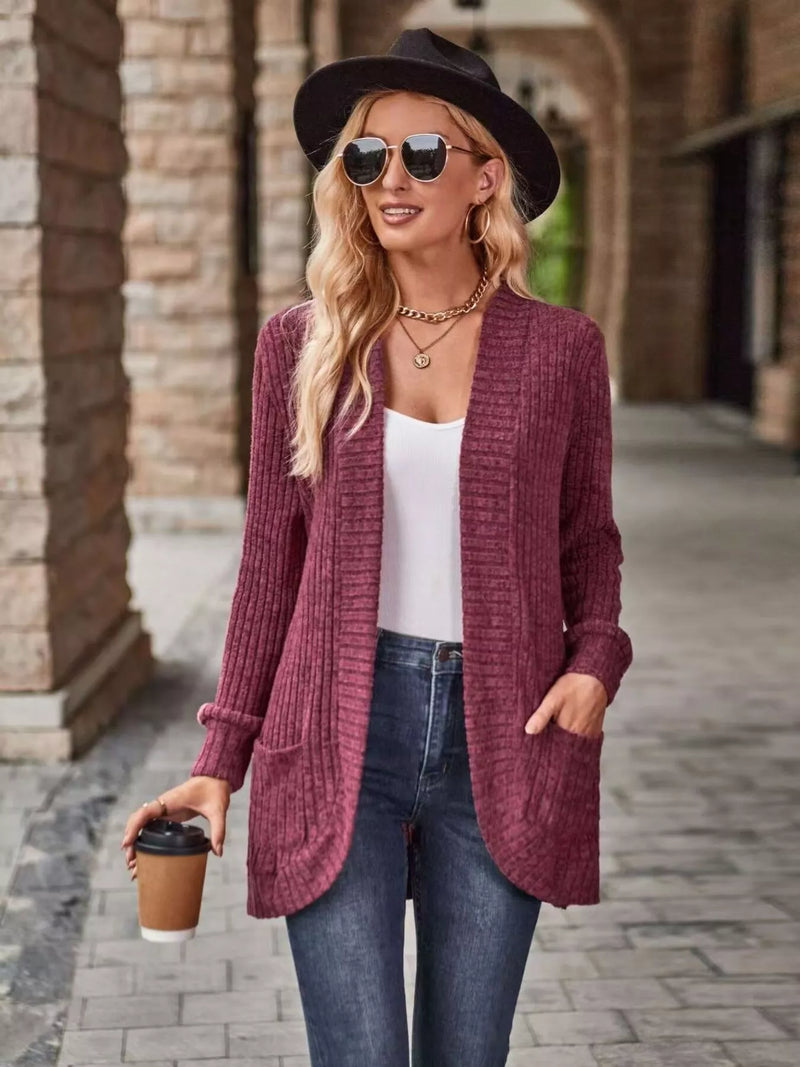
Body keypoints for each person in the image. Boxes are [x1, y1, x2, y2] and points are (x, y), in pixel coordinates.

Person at [122, 27, 633, 1067]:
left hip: (507, 723)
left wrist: (593, 665)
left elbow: (589, 539)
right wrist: (219, 760)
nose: (387, 178)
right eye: (365, 157)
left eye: (420, 154)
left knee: (466, 1050)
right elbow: (270, 562)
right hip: (336, 729)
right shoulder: (301, 344)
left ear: (485, 174)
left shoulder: (559, 350)